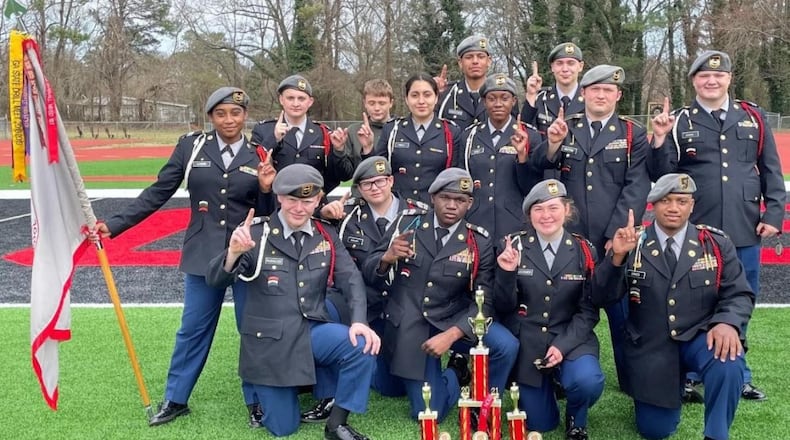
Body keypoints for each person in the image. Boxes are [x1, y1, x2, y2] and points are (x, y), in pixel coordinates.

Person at [95, 87, 276, 427]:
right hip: (203, 255)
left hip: (248, 254)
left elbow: (269, 213)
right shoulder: (191, 147)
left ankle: (258, 402)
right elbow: (158, 192)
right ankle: (176, 399)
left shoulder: (261, 153)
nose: (229, 120)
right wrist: (115, 225)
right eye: (221, 113)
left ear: (245, 116)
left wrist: (266, 190)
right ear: (210, 116)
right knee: (192, 329)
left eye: (235, 113)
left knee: (252, 329)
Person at [205, 164, 380, 439]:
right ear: (279, 197)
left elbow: (352, 279)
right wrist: (232, 254)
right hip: (271, 343)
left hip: (311, 331)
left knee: (362, 345)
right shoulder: (255, 235)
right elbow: (215, 282)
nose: (300, 208)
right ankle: (263, 392)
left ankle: (337, 424)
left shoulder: (326, 234)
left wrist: (359, 321)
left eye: (308, 201)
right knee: (283, 428)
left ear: (319, 199)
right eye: (293, 200)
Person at [650, 50, 784, 401]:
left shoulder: (752, 118)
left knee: (741, 298)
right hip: (696, 228)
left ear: (728, 78)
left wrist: (772, 216)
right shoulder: (680, 120)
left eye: (719, 75)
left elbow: (771, 169)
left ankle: (738, 372)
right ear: (693, 80)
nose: (712, 80)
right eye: (704, 76)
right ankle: (693, 374)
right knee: (693, 299)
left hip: (744, 226)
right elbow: (664, 176)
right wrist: (661, 139)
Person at [595, 173, 755, 440]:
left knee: (729, 361)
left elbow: (738, 293)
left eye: (682, 201)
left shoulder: (715, 244)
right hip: (652, 347)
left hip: (700, 337)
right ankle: (673, 389)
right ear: (653, 204)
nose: (673, 208)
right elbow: (601, 297)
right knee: (655, 430)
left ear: (692, 205)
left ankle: (716, 434)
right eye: (665, 200)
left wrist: (727, 322)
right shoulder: (633, 243)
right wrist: (617, 257)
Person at [362, 168, 519, 422]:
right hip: (410, 323)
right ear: (433, 197)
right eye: (446, 197)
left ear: (469, 204)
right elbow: (369, 272)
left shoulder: (478, 241)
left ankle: (485, 403)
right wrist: (386, 257)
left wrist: (454, 333)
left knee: (506, 346)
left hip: (451, 317)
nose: (452, 205)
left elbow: (485, 300)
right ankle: (456, 372)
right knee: (426, 413)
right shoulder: (407, 223)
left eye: (460, 200)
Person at [531, 64, 651, 393]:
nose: (600, 95)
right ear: (583, 94)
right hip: (569, 241)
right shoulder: (564, 127)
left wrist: (616, 236)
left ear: (618, 95)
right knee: (563, 308)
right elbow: (538, 166)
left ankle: (631, 380)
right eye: (594, 89)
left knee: (622, 314)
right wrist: (553, 144)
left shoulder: (631, 134)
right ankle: (556, 376)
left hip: (614, 241)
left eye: (607, 90)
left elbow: (636, 185)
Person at [300, 156, 417, 423]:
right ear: (359, 189)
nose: (374, 188)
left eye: (379, 181)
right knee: (324, 312)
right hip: (357, 301)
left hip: (399, 305)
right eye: (366, 184)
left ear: (391, 180)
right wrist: (320, 212)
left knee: (392, 387)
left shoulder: (417, 214)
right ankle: (327, 394)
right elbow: (301, 220)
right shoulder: (347, 214)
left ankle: (454, 374)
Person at [496, 179, 604, 440]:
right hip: (529, 343)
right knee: (541, 423)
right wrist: (507, 275)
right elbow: (501, 307)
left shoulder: (584, 250)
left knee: (587, 381)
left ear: (567, 210)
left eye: (553, 208)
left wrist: (563, 346)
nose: (546, 216)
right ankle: (545, 386)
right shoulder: (513, 247)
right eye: (538, 209)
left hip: (572, 338)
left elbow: (588, 310)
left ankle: (576, 416)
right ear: (529, 215)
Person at [461, 72, 543, 240]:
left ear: (513, 101)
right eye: (492, 98)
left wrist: (522, 156)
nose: (498, 104)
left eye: (504, 98)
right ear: (484, 102)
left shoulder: (530, 135)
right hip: (476, 223)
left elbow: (532, 188)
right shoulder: (469, 136)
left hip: (515, 224)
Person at [250, 74, 355, 194]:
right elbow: (252, 169)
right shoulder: (264, 130)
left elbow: (343, 176)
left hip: (313, 205)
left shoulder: (323, 133)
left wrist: (339, 150)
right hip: (275, 205)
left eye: (301, 98)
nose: (296, 104)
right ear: (281, 99)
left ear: (310, 102)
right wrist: (274, 139)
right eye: (290, 98)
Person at [370, 73, 462, 205]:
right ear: (406, 99)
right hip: (397, 208)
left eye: (427, 95)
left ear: (436, 98)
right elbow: (377, 171)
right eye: (414, 95)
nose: (421, 101)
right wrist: (367, 148)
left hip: (435, 210)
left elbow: (454, 176)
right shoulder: (392, 130)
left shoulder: (451, 132)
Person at [520, 43, 585, 137]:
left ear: (580, 66)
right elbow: (525, 132)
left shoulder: (590, 99)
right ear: (552, 67)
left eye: (571, 63)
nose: (565, 69)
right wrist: (531, 95)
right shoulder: (540, 98)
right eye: (559, 63)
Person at [435, 35, 492, 129]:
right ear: (460, 63)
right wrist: (430, 92)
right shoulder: (447, 94)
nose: (475, 61)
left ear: (489, 61)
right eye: (469, 57)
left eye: (480, 56)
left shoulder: (501, 95)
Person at [345, 79, 396, 166]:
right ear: (365, 103)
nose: (377, 108)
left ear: (391, 103)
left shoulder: (400, 129)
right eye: (372, 103)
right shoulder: (354, 131)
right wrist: (338, 151)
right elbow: (345, 174)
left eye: (382, 103)